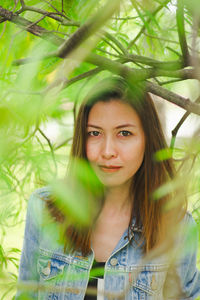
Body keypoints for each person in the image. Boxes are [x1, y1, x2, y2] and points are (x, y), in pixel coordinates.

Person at [16, 77, 200, 299]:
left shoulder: (176, 228)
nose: (107, 151)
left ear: (147, 139)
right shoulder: (44, 210)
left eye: (124, 133)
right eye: (95, 133)